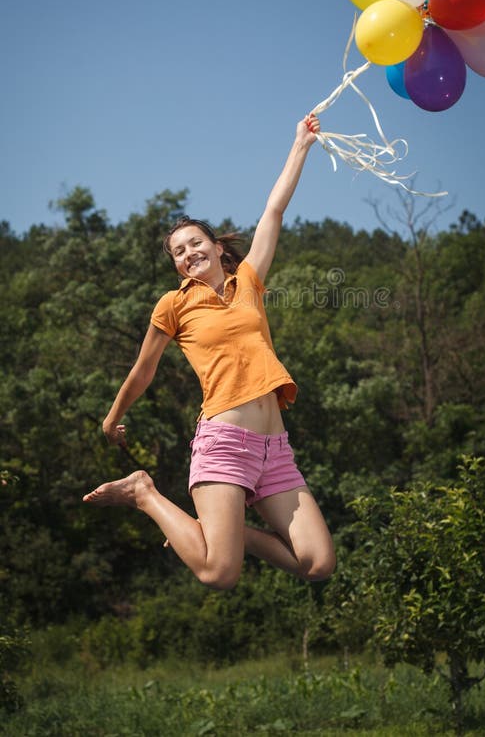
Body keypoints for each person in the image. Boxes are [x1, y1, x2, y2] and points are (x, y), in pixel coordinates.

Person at [83, 114, 336, 590]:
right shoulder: (174, 305)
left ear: (218, 248)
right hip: (224, 443)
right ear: (177, 266)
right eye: (178, 252)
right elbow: (143, 370)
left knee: (318, 564)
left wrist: (301, 144)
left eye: (194, 243)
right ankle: (143, 492)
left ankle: (231, 533)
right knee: (218, 574)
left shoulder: (250, 284)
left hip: (274, 450)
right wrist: (113, 415)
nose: (187, 253)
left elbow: (274, 210)